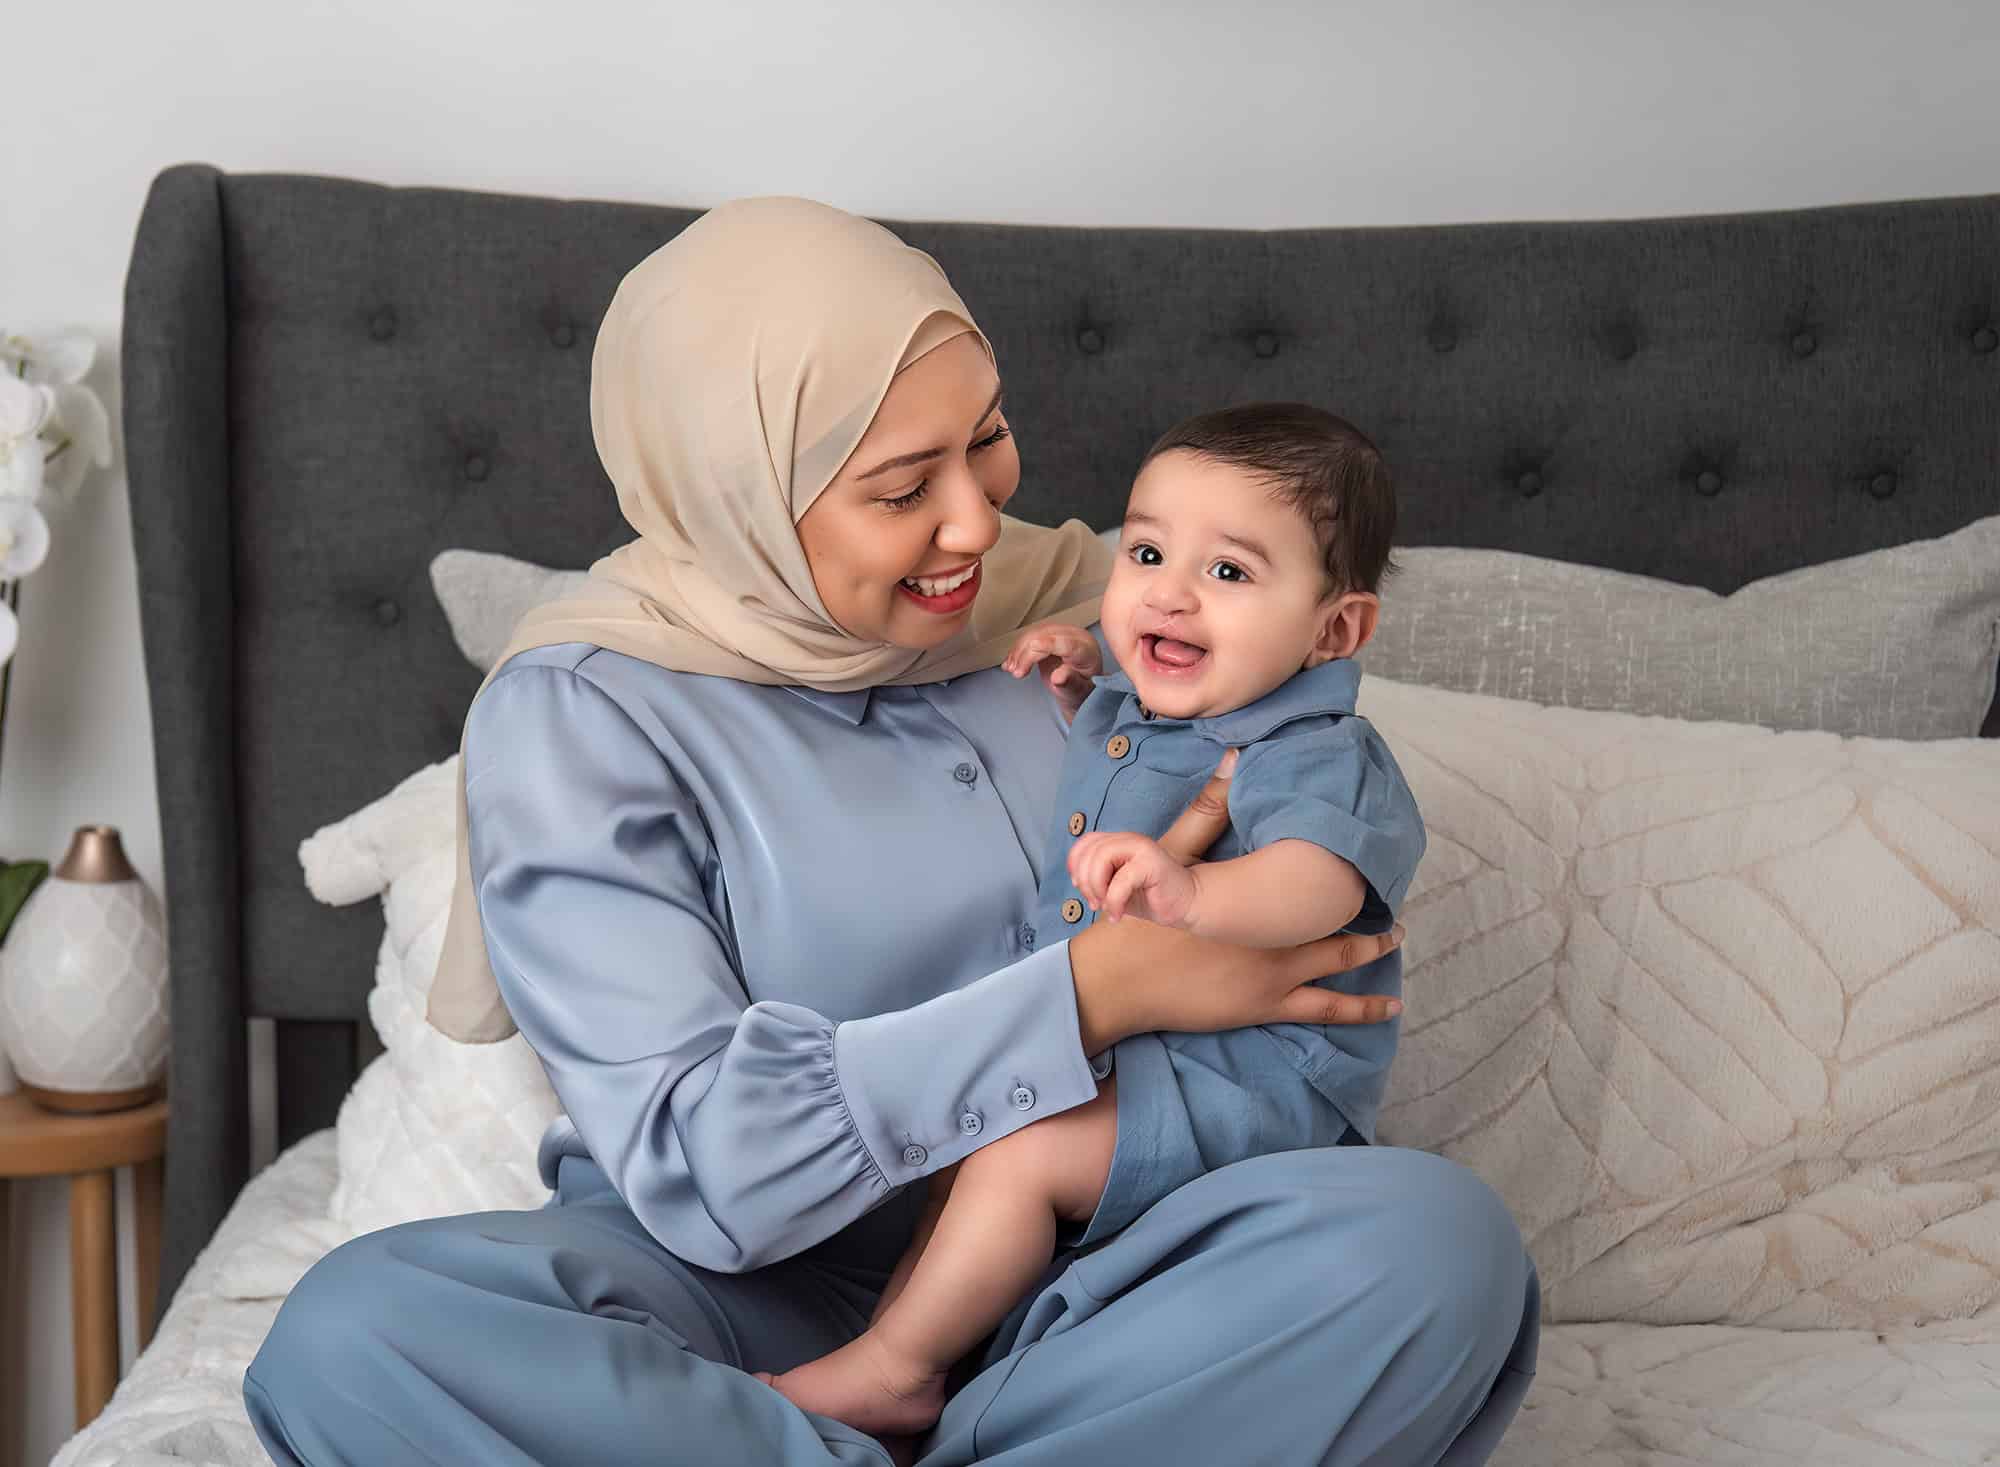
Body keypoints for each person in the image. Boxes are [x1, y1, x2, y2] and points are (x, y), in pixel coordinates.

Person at [242, 197, 1538, 1467]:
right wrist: (1095, 990)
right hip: (756, 1293)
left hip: (1102, 1262)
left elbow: (1276, 670)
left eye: (989, 439)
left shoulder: (1073, 608)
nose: (977, 520)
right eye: (904, 484)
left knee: (1437, 1251)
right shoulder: (588, 714)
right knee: (354, 1339)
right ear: (742, 490)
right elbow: (710, 1162)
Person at [760, 402, 1427, 1439]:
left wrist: (1197, 897)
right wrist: (1080, 687)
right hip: (1136, 1052)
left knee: (1017, 1155)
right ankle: (895, 1361)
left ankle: (897, 1368)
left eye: (1228, 574)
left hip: (1259, 1078)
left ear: (1333, 629)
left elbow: (1317, 882)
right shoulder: (1142, 710)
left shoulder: (1314, 748)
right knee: (971, 1149)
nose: (1167, 592)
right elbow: (1130, 779)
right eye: (1149, 550)